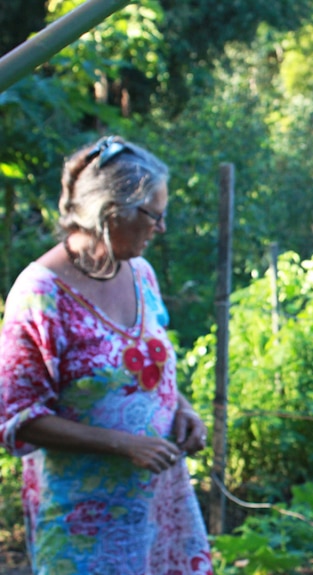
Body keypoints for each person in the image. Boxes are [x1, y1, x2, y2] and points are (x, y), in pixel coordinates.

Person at [0, 136, 213, 575]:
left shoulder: (140, 273)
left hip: (160, 506)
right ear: (111, 214)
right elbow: (16, 417)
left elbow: (149, 371)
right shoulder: (39, 294)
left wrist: (182, 409)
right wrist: (123, 443)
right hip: (85, 521)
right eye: (153, 215)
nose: (161, 227)